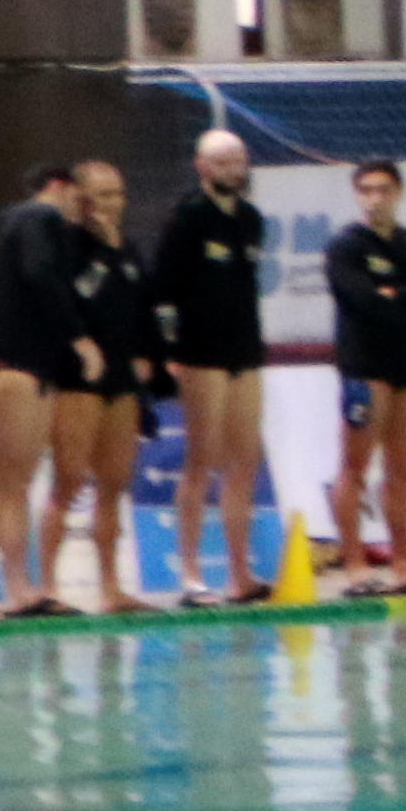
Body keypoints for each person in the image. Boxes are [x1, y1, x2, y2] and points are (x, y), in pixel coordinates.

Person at [143, 130, 272, 603]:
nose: (232, 169)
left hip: (245, 350)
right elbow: (163, 291)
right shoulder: (188, 219)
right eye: (221, 162)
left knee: (244, 463)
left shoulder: (252, 220)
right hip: (201, 353)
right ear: (201, 167)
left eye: (238, 160)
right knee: (202, 459)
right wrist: (170, 352)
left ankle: (240, 572)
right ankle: (192, 573)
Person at [0, 167, 82, 616]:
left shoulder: (22, 224)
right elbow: (39, 274)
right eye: (76, 201)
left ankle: (16, 587)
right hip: (13, 364)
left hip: (23, 363)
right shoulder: (36, 218)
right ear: (59, 188)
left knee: (16, 482)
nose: (76, 214)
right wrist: (78, 336)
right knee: (2, 479)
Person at [324, 160, 406, 591]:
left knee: (401, 471)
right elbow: (364, 301)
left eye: (384, 189)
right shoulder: (346, 246)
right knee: (355, 468)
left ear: (398, 193)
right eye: (367, 190)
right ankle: (355, 565)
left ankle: (405, 564)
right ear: (358, 195)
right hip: (365, 366)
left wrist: (399, 295)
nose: (376, 198)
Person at [41, 159, 150, 616]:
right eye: (103, 195)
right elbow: (76, 298)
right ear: (82, 200)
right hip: (78, 379)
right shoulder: (68, 246)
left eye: (118, 194)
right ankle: (46, 583)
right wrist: (104, 251)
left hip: (121, 378)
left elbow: (142, 304)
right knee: (67, 481)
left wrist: (148, 357)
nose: (112, 205)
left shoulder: (131, 249)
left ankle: (112, 585)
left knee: (114, 484)